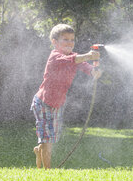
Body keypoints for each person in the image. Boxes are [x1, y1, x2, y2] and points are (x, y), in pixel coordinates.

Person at [31, 24, 102, 169]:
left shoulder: (72, 57)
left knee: (51, 137)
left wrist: (94, 72)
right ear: (54, 42)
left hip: (57, 104)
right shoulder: (55, 57)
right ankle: (47, 172)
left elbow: (84, 65)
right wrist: (88, 55)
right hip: (43, 103)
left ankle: (39, 150)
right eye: (65, 39)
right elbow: (75, 60)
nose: (70, 43)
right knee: (48, 139)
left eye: (72, 40)